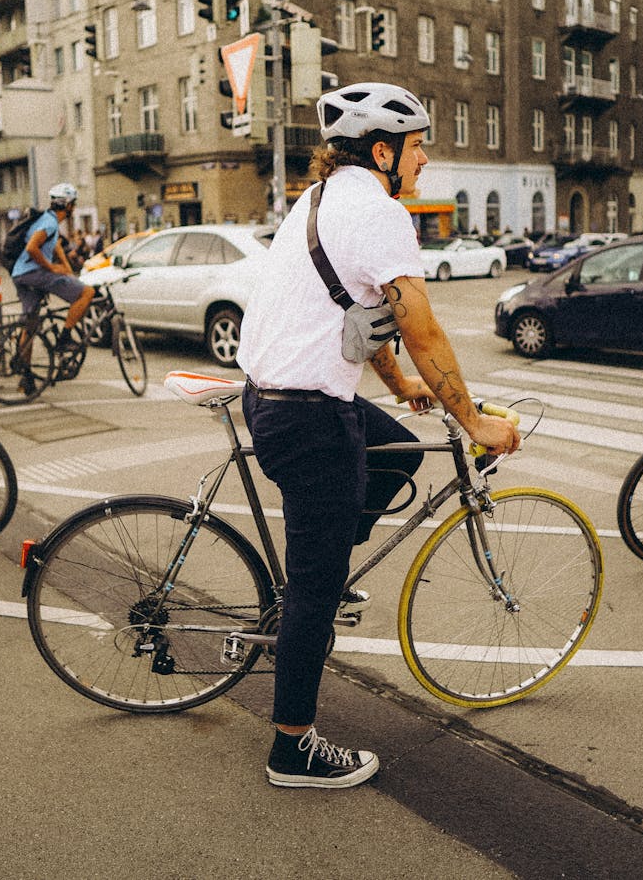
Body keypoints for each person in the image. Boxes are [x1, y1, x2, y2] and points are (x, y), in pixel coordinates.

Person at [237, 82, 520, 790]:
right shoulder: (381, 213)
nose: (424, 160)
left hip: (279, 399)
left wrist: (401, 389)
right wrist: (476, 421)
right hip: (308, 417)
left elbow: (361, 313)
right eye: (419, 146)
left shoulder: (322, 200)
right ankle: (292, 748)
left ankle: (321, 578)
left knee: (392, 457)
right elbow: (421, 326)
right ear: (385, 151)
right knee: (314, 587)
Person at [11, 183, 95, 392]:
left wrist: (66, 269)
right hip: (34, 274)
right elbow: (32, 247)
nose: (74, 208)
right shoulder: (49, 223)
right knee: (87, 292)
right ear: (66, 205)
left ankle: (26, 375)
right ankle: (64, 338)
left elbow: (55, 246)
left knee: (30, 324)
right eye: (73, 204)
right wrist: (51, 268)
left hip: (20, 275)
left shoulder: (47, 221)